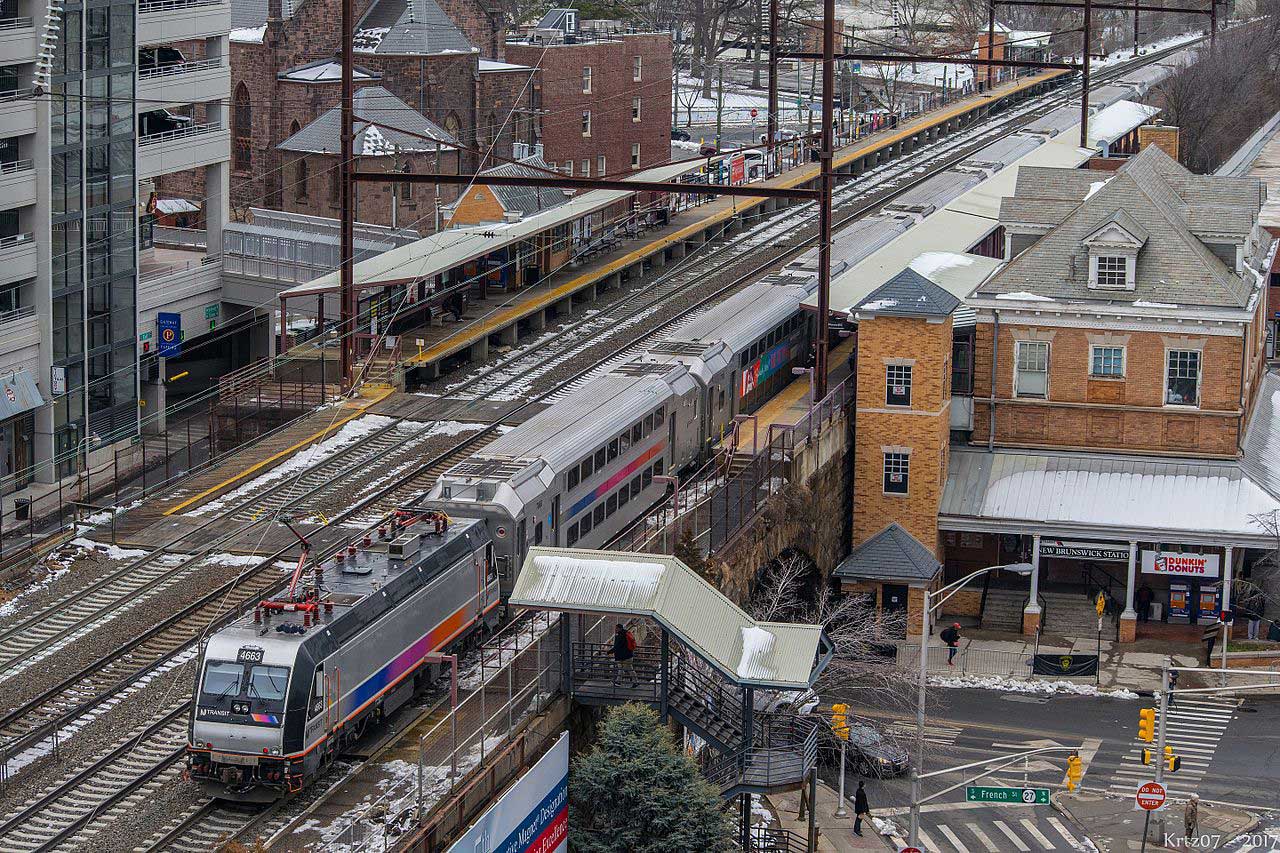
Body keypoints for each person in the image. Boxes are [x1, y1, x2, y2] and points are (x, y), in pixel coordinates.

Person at [612, 623, 637, 688]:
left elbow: (617, 646)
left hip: (623, 656)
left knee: (624, 669)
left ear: (619, 628)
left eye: (616, 628)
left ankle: (619, 682)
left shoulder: (620, 635)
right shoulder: (626, 633)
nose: (615, 629)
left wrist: (609, 651)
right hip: (628, 655)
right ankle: (619, 682)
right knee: (628, 669)